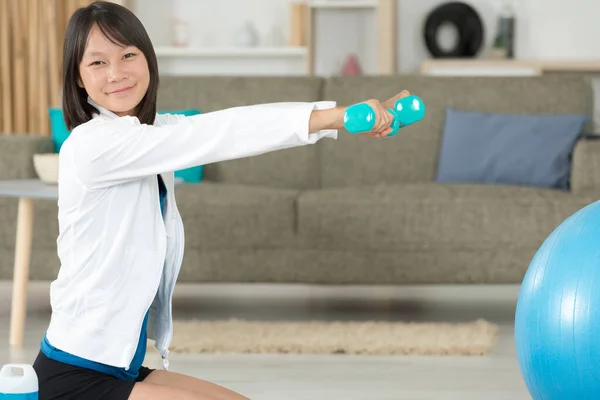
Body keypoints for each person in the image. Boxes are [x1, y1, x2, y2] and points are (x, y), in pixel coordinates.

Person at [31, 1, 414, 399]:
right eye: (97, 63)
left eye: (128, 54)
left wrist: (343, 117)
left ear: (148, 59)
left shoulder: (149, 132)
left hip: (118, 365)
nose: (117, 73)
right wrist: (333, 116)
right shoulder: (94, 145)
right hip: (73, 374)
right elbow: (219, 133)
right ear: (77, 77)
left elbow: (235, 125)